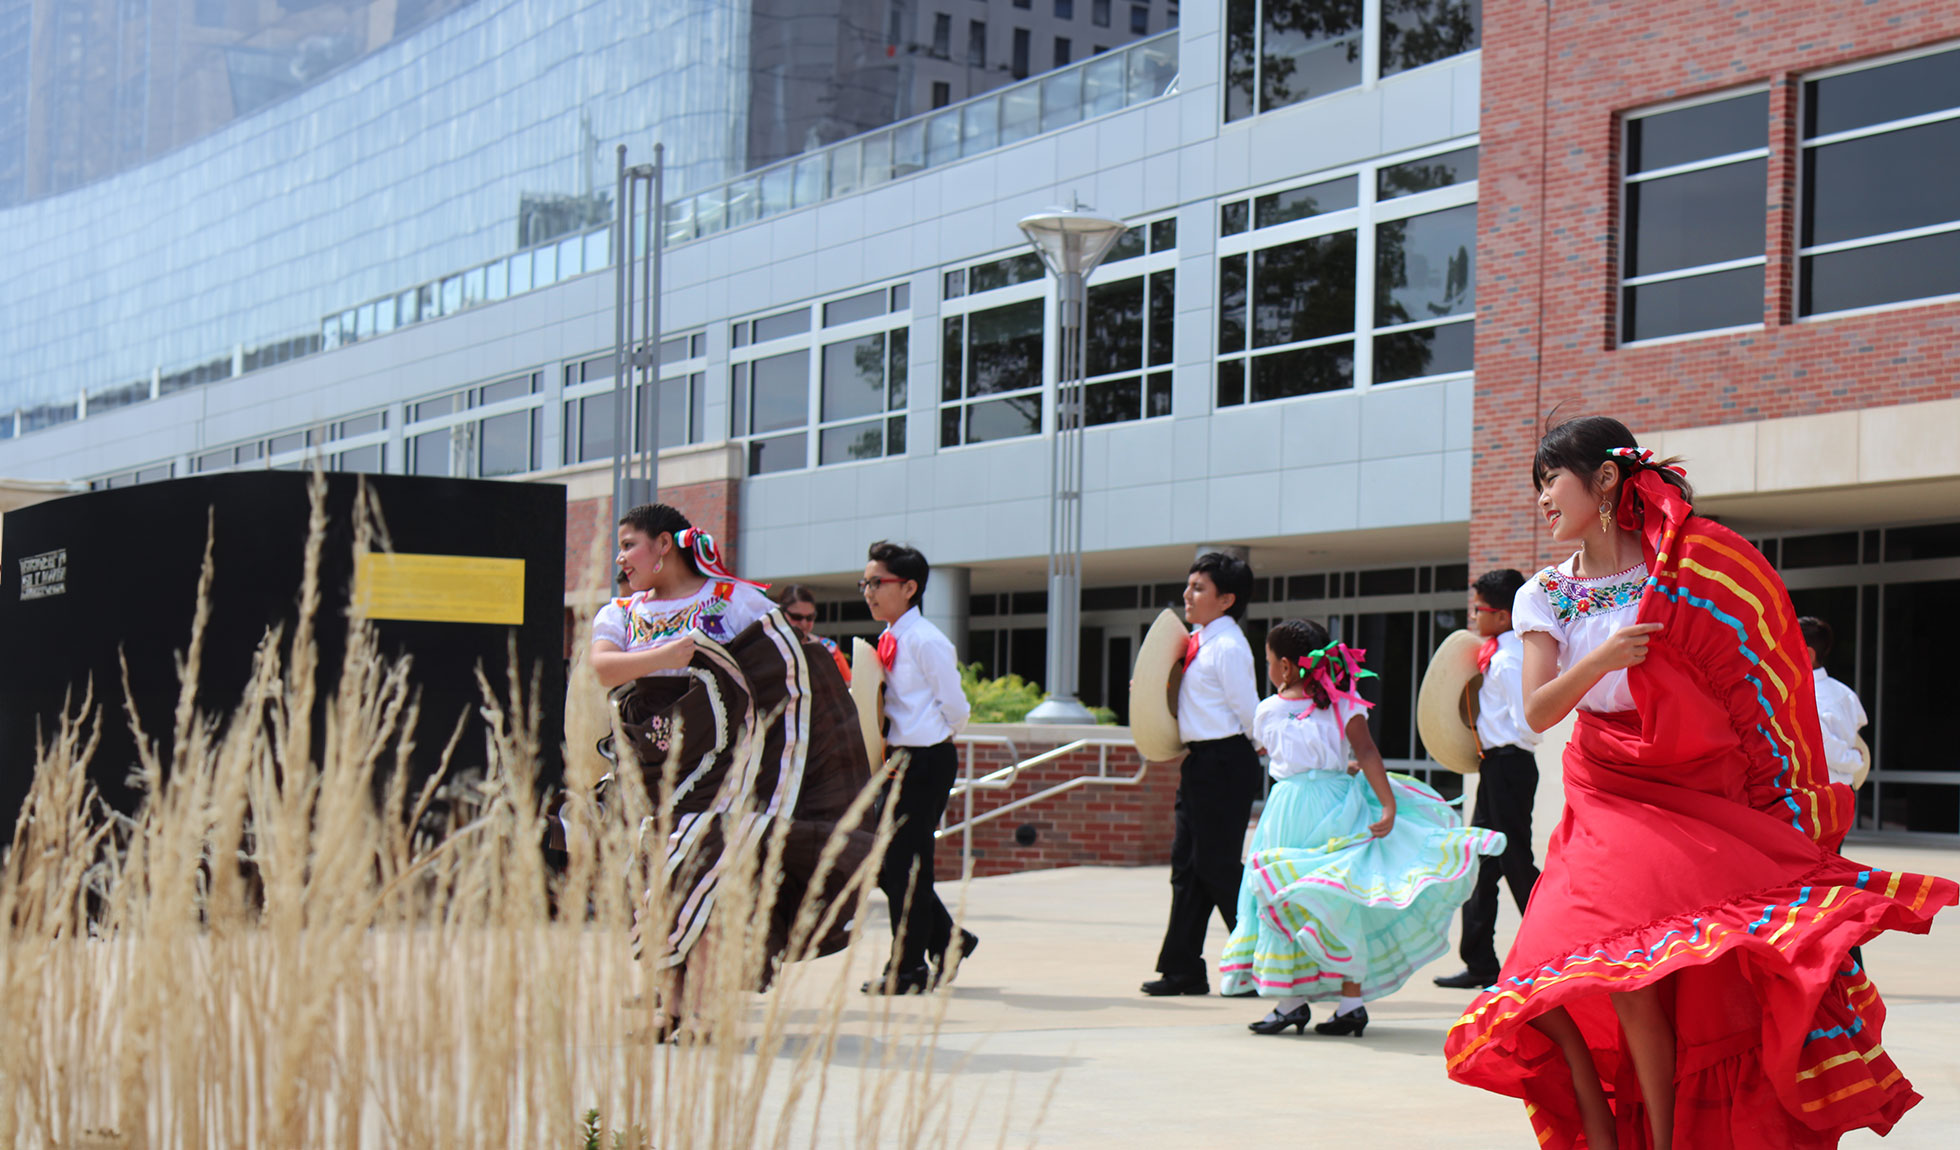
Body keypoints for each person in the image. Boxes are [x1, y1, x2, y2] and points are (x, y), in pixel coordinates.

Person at [1444, 416, 1955, 1150]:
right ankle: (1598, 1126)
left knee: (1642, 979)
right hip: (1600, 788)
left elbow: (1754, 673)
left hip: (1683, 785)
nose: (1542, 501)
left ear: (1608, 480)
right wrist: (1609, 656)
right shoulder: (1544, 594)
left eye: (1550, 481)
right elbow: (1537, 710)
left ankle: (1664, 1137)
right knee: (1541, 972)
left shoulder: (1682, 571)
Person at [591, 504, 875, 1039]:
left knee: (701, 877)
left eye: (630, 544)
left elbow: (789, 670)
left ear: (665, 544)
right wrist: (674, 653)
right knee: (657, 877)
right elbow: (604, 667)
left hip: (729, 769)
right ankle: (672, 1007)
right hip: (653, 765)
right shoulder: (621, 613)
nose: (621, 557)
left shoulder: (734, 601)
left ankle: (700, 1010)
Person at [1223, 620, 1505, 1037]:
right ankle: (1347, 1004)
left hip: (1290, 807)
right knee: (1337, 897)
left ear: (1284, 667)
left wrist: (1371, 790)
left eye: (1268, 662)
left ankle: (1291, 1003)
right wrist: (1384, 801)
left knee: (1287, 893)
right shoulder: (1343, 706)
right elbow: (1367, 753)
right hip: (1338, 804)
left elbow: (1280, 753)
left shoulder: (1270, 709)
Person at [1142, 551, 1262, 997]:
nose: (1187, 595)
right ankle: (1183, 968)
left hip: (1226, 762)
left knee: (1216, 866)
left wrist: (1274, 749)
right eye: (1189, 585)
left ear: (1227, 599)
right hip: (1200, 762)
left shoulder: (1228, 646)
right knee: (1187, 868)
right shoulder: (1200, 640)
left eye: (1199, 588)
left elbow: (1249, 711)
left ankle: (1258, 962)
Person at [859, 540, 977, 995]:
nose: (868, 592)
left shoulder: (926, 640)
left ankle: (907, 970)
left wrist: (934, 739)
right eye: (865, 583)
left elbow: (956, 705)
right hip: (900, 760)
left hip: (926, 758)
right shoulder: (892, 638)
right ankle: (949, 940)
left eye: (877, 583)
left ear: (909, 588)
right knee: (890, 865)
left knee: (906, 865)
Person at [1435, 568, 1542, 990]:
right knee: (1481, 863)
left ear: (1500, 616)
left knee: (1514, 859)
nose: (1474, 617)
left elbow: (1529, 718)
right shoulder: (1497, 653)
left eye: (1478, 609)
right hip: (1494, 765)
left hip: (1510, 764)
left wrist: (1512, 751)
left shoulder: (1512, 658)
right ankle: (1480, 963)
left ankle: (1555, 947)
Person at [1799, 616, 1867, 790]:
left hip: (1818, 795)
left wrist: (1854, 759)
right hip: (1840, 790)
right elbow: (1858, 727)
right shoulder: (1846, 693)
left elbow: (1825, 749)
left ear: (1809, 653)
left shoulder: (1805, 696)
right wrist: (1856, 758)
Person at [775, 583, 852, 683]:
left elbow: (846, 686)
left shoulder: (829, 648)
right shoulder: (771, 649)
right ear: (781, 614)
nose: (804, 623)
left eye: (809, 617)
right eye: (796, 617)